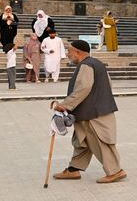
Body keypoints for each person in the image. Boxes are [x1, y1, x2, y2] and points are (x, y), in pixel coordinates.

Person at [52, 40, 126, 183]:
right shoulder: (97, 63)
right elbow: (108, 84)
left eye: (69, 51)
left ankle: (115, 171)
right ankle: (73, 170)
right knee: (82, 142)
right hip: (93, 110)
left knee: (100, 141)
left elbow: (83, 88)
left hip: (93, 114)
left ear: (77, 52)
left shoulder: (86, 65)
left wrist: (65, 105)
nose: (68, 54)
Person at [1, 5, 18, 90]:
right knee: (7, 44)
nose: (8, 10)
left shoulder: (13, 15)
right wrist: (5, 20)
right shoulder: (2, 15)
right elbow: (0, 23)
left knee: (10, 42)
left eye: (9, 9)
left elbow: (16, 23)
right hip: (4, 34)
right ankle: (12, 86)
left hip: (11, 33)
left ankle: (12, 86)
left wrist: (11, 20)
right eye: (7, 9)